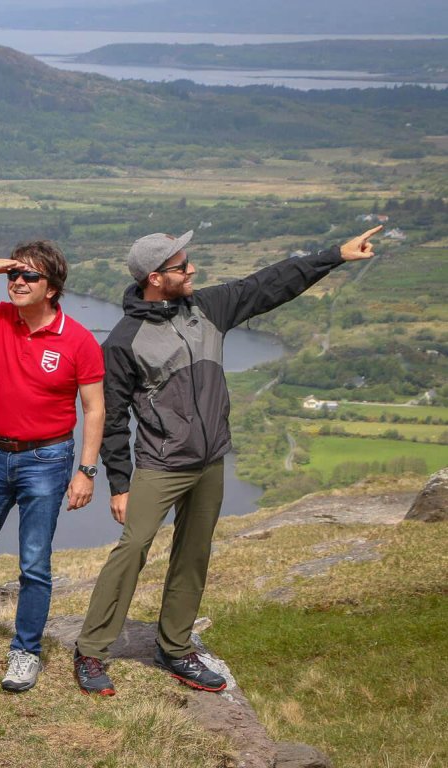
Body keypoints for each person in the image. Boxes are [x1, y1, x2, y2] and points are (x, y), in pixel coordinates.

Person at [73, 225, 383, 696]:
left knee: (194, 553)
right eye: (182, 266)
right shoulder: (124, 340)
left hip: (210, 459)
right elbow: (114, 420)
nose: (192, 269)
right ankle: (92, 651)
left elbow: (270, 283)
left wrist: (335, 256)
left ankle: (175, 648)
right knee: (133, 548)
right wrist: (120, 483)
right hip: (160, 464)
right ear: (155, 278)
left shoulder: (209, 308)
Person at [0, 241, 105, 693]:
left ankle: (26, 651)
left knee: (34, 563)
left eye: (29, 276)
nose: (18, 282)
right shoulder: (0, 318)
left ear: (52, 288)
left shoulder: (79, 341)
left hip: (47, 460)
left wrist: (86, 471)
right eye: (13, 274)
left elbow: (94, 409)